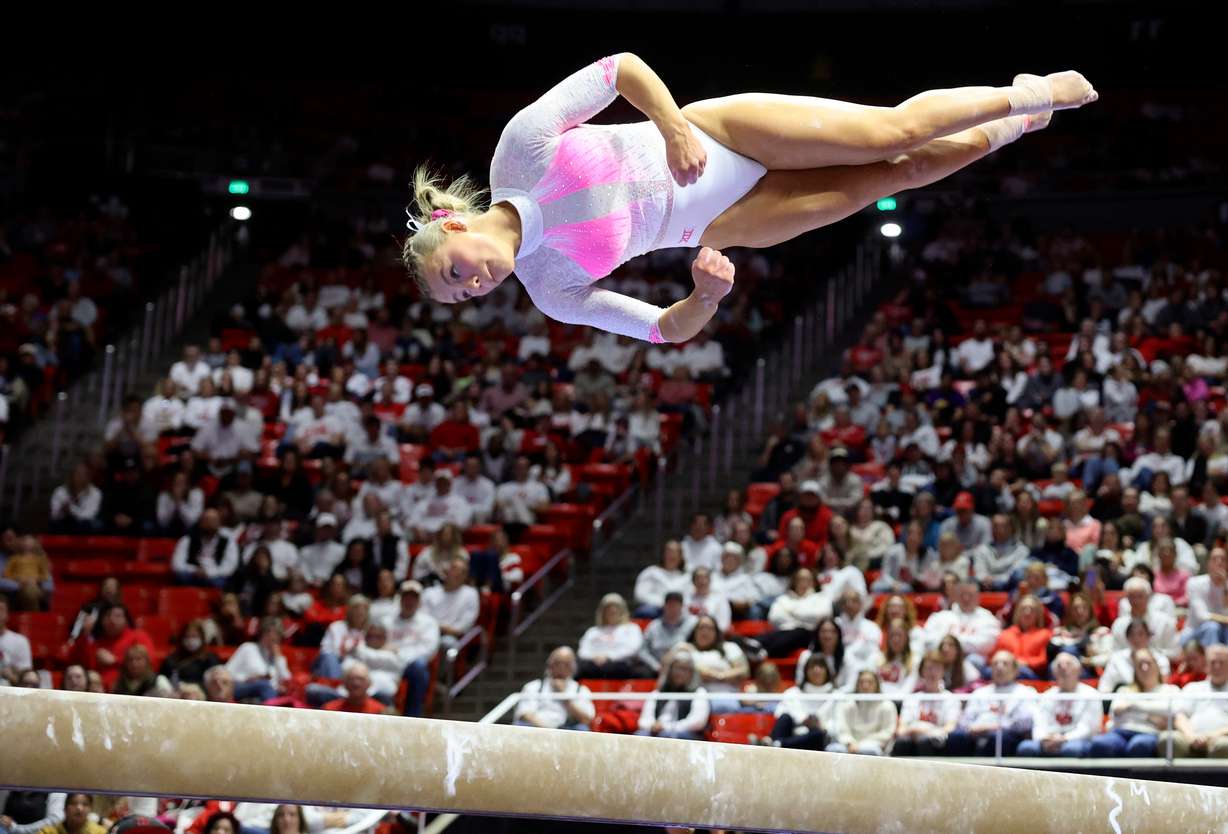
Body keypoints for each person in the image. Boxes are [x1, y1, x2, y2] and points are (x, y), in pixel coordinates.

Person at [405, 54, 1095, 342]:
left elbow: (620, 69)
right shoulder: (552, 291)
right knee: (901, 173)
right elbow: (665, 330)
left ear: (455, 226)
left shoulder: (519, 151)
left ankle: (1030, 92)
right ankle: (1015, 126)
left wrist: (673, 128)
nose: (474, 285)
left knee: (892, 133)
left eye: (455, 271)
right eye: (462, 295)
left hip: (716, 134)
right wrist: (704, 297)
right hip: (727, 219)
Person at [1089, 648, 1178, 757]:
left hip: (1149, 733)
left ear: (1157, 666)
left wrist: (1132, 705)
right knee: (1101, 743)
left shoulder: (1170, 690)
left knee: (1139, 745)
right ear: (1135, 670)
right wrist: (1150, 716)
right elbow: (1115, 711)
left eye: (1148, 663)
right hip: (1120, 732)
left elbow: (1171, 711)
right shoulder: (1125, 690)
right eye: (1140, 665)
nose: (1145, 668)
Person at [946, 650, 1036, 756]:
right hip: (976, 734)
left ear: (1015, 670)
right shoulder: (980, 692)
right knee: (956, 736)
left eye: (1005, 663)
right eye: (995, 663)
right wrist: (972, 728)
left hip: (1006, 736)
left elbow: (1025, 723)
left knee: (998, 738)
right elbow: (965, 721)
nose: (999, 667)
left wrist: (993, 727)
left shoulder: (1025, 692)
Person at [1015, 653, 1101, 757]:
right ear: (1054, 672)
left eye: (1068, 664)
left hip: (1077, 739)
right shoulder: (1047, 695)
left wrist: (1064, 738)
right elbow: (1039, 724)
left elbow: (1087, 728)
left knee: (1071, 749)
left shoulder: (1091, 694)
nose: (1063, 668)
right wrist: (1044, 738)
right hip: (1049, 738)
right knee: (1026, 747)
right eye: (1059, 666)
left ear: (1079, 670)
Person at [1163, 643, 1228, 758]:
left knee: (1223, 745)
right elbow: (1180, 716)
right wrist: (1191, 736)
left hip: (1221, 739)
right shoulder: (1192, 688)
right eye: (1213, 662)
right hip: (1190, 739)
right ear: (1206, 664)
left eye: (1222, 662)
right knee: (1168, 739)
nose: (1217, 666)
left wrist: (1213, 736)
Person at [892, 651, 962, 756]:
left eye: (937, 668)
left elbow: (950, 727)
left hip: (938, 744)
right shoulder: (912, 698)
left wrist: (925, 730)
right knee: (901, 743)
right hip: (912, 742)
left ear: (943, 671)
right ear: (922, 671)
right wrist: (919, 730)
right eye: (928, 668)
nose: (932, 672)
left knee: (924, 743)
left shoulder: (951, 699)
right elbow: (901, 730)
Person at [762, 654, 836, 750]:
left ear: (827, 671)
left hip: (818, 739)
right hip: (793, 733)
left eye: (821, 666)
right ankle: (776, 744)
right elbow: (780, 715)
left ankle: (776, 744)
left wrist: (820, 725)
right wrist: (803, 720)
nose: (816, 670)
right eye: (812, 667)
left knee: (818, 733)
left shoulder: (836, 696)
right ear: (805, 671)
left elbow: (839, 726)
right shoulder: (792, 693)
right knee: (785, 717)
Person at [514, 646, 596, 731]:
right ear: (549, 665)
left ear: (573, 667)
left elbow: (586, 719)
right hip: (538, 729)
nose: (561, 668)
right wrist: (548, 730)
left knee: (582, 728)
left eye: (566, 664)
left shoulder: (581, 690)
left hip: (567, 731)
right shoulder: (533, 686)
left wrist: (565, 697)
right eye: (557, 663)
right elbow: (525, 714)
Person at [636, 649, 709, 740]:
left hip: (683, 734)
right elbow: (643, 720)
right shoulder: (658, 693)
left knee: (667, 736)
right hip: (656, 732)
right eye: (676, 668)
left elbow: (697, 722)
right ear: (670, 671)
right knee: (639, 736)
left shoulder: (699, 692)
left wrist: (666, 727)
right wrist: (652, 725)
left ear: (691, 673)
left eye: (684, 669)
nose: (679, 673)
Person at [577, 593, 650, 679]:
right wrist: (595, 657)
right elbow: (582, 651)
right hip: (593, 665)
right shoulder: (593, 631)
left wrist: (608, 657)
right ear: (602, 612)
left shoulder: (631, 628)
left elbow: (633, 649)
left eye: (616, 607)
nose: (612, 610)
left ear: (622, 610)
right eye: (608, 608)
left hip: (621, 665)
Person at [686, 614, 749, 713]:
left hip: (727, 697)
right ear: (694, 631)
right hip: (696, 698)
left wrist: (719, 676)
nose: (705, 632)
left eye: (710, 628)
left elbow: (744, 671)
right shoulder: (688, 649)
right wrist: (727, 675)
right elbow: (699, 672)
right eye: (701, 627)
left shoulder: (729, 647)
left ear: (716, 632)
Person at [826, 670, 898, 755]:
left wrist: (862, 743)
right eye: (861, 682)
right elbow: (842, 729)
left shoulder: (887, 706)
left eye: (870, 682)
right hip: (849, 744)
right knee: (833, 749)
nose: (865, 686)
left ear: (877, 684)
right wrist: (850, 742)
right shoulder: (846, 705)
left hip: (874, 744)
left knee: (869, 750)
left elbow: (887, 732)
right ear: (857, 684)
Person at [225, 617, 291, 703]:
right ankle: (273, 707)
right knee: (264, 685)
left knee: (268, 688)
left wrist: (278, 658)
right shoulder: (248, 648)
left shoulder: (278, 658)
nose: (274, 638)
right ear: (263, 633)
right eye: (270, 633)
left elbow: (287, 680)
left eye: (278, 635)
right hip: (242, 687)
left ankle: (272, 705)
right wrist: (247, 679)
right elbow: (227, 672)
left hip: (265, 694)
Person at [420, 556, 481, 648]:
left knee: (447, 643)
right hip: (425, 633)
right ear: (446, 571)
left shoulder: (471, 594)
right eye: (454, 568)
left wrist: (440, 629)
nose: (457, 573)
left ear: (465, 576)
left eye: (462, 571)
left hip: (450, 637)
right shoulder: (429, 592)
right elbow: (422, 617)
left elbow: (463, 626)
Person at [1099, 618, 1173, 693]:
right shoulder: (1116, 659)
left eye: (1140, 634)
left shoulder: (1161, 659)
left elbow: (1163, 685)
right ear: (1127, 638)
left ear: (1148, 636)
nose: (1136, 639)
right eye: (1132, 635)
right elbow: (1105, 686)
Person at [993, 594, 1053, 679]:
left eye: (1032, 609)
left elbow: (1043, 660)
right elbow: (995, 656)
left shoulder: (1045, 634)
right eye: (1023, 608)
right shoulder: (1005, 634)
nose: (1027, 612)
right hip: (1004, 670)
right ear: (1017, 612)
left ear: (1038, 614)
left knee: (1022, 671)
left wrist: (1024, 662)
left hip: (1030, 674)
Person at [639, 592, 697, 674]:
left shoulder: (692, 623)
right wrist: (656, 666)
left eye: (676, 605)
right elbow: (642, 650)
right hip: (657, 669)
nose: (673, 609)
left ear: (682, 606)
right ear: (664, 606)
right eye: (670, 605)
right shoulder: (654, 626)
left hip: (685, 669)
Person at [1186, 547, 1228, 647]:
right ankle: (1213, 656)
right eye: (1214, 559)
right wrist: (1226, 620)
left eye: (1223, 559)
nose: (1219, 562)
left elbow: (1226, 611)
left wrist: (1225, 588)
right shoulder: (1195, 583)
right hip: (1194, 633)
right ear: (1208, 564)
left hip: (1223, 631)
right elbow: (1202, 616)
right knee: (1212, 627)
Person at [322, 663, 389, 715]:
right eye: (351, 679)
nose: (356, 683)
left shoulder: (380, 712)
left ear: (369, 683)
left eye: (361, 679)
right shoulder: (330, 710)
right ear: (344, 683)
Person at [32, 794, 104, 834]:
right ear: (65, 808)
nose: (79, 808)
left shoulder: (100, 832)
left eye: (85, 804)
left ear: (91, 809)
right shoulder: (47, 832)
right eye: (73, 803)